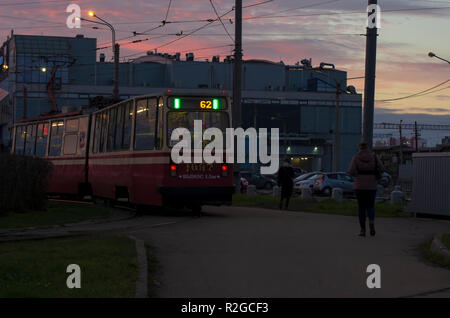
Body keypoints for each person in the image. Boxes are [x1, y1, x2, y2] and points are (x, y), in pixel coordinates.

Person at [348, 141, 384, 237]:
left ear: (359, 148)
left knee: (361, 208)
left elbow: (351, 171)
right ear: (367, 147)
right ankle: (371, 224)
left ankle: (362, 230)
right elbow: (382, 168)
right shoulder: (374, 157)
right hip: (372, 185)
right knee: (370, 206)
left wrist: (357, 174)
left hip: (359, 186)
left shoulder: (356, 157)